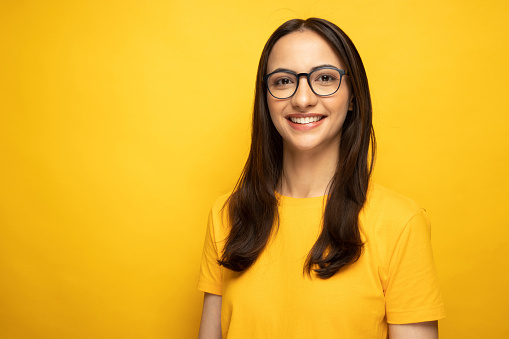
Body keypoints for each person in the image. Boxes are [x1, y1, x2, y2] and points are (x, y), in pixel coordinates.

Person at [197, 18, 445, 339]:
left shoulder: (401, 223)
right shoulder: (227, 215)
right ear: (266, 98)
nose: (302, 99)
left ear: (353, 96)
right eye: (284, 81)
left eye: (325, 78)